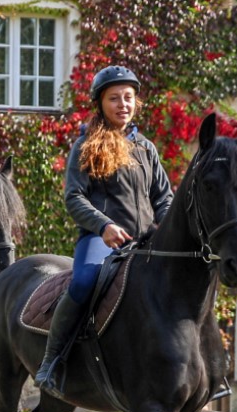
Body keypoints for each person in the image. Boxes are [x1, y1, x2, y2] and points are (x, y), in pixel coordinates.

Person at [33, 66, 174, 393]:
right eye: (114, 98)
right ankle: (52, 360)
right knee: (83, 282)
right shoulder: (87, 145)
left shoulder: (146, 149)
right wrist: (104, 225)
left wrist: (169, 228)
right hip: (101, 240)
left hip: (144, 242)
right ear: (100, 103)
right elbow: (74, 197)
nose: (123, 104)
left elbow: (164, 199)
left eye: (128, 97)